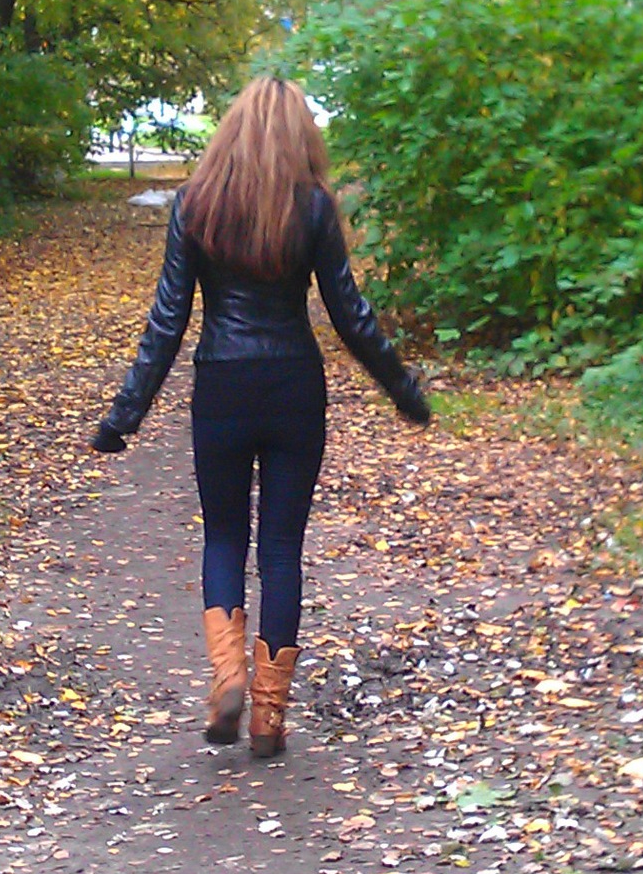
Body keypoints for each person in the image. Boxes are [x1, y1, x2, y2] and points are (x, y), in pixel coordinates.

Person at [91, 76, 430, 758]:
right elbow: (349, 313)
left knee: (223, 536)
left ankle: (227, 680)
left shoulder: (196, 203)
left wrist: (124, 415)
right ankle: (269, 715)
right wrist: (401, 387)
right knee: (280, 549)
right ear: (300, 135)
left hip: (222, 384)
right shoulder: (312, 208)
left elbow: (167, 320)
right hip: (293, 385)